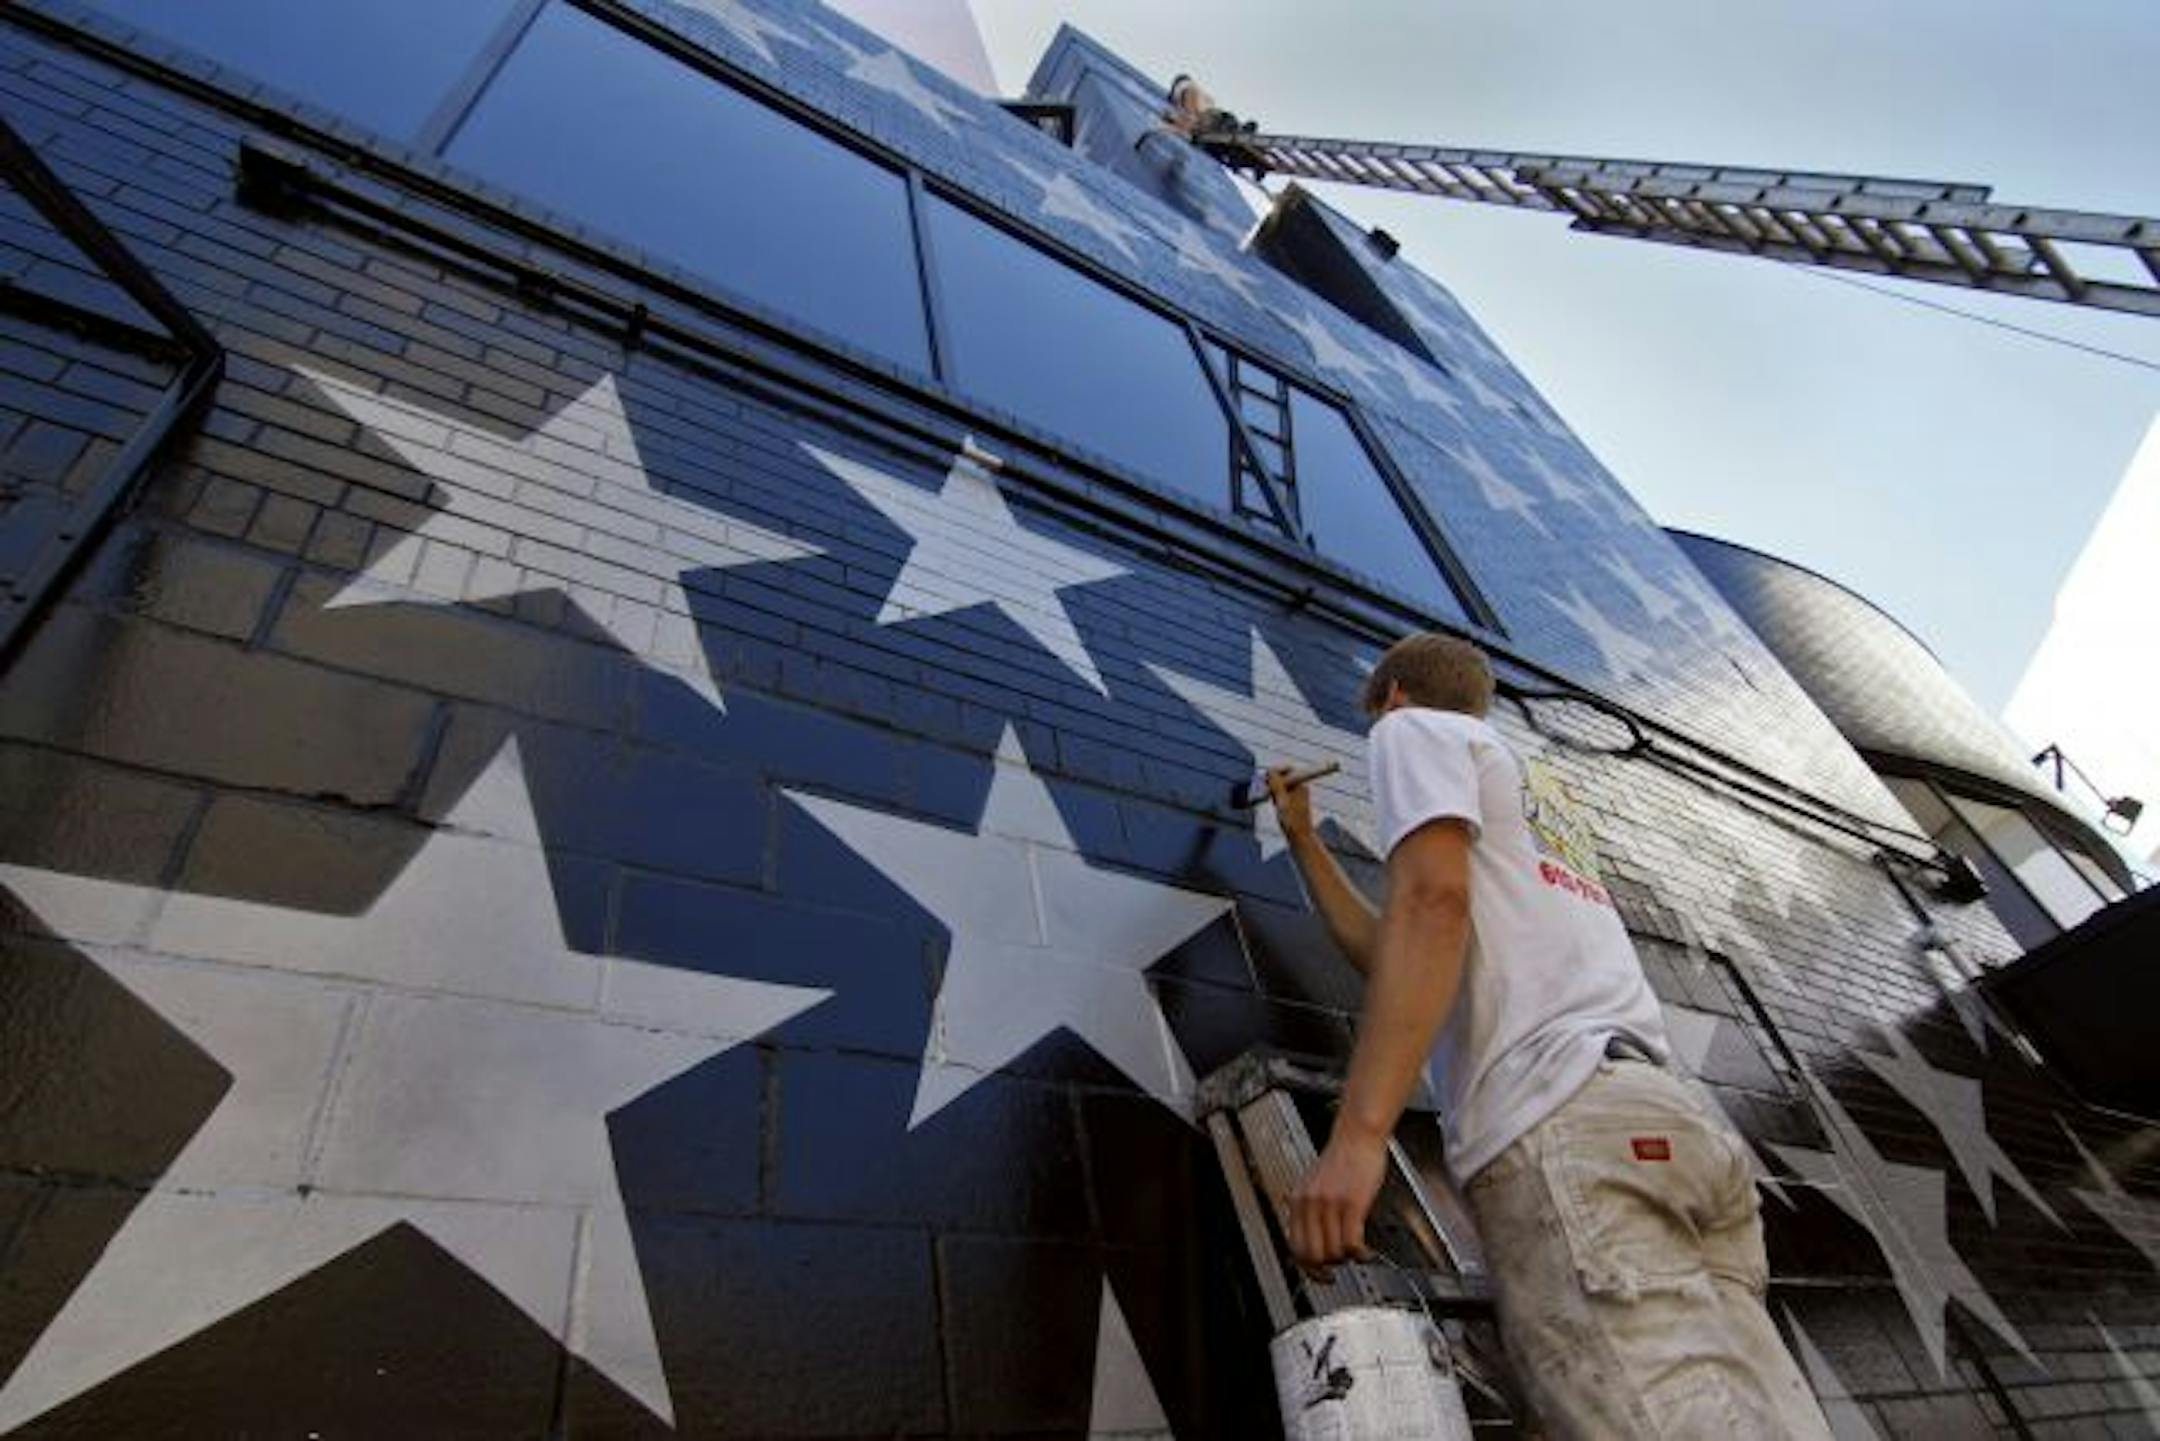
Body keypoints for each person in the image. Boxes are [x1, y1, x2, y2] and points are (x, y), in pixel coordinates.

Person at [1265, 631, 1835, 1440]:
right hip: (1665, 1123)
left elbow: (1433, 909)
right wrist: (1306, 840)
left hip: (1562, 1125)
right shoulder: (1539, 793)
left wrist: (1359, 1137)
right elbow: (1404, 950)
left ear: (1393, 696)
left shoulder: (1410, 730)